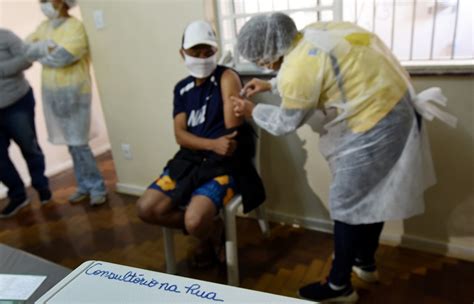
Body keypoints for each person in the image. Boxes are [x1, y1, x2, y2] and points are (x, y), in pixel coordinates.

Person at [232, 13, 456, 303]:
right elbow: (318, 71)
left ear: (267, 54)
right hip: (398, 109)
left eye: (263, 62)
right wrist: (272, 84)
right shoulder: (315, 32)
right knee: (373, 194)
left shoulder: (297, 69)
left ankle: (339, 286)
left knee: (346, 203)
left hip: (378, 123)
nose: (264, 66)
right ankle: (365, 263)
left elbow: (285, 123)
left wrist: (252, 111)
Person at [136, 20, 265, 267]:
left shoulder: (226, 76)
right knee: (147, 208)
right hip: (190, 159)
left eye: (209, 52)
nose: (203, 58)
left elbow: (231, 131)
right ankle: (211, 229)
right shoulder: (182, 89)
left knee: (194, 221)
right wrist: (211, 143)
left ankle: (203, 232)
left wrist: (209, 143)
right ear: (182, 53)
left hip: (224, 163)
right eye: (196, 52)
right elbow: (180, 136)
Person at [24, 0, 107, 206]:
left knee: (80, 144)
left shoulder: (75, 27)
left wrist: (42, 52)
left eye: (47, 1)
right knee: (72, 144)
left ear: (62, 2)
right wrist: (47, 49)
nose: (44, 5)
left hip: (75, 93)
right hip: (53, 94)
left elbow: (65, 56)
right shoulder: (44, 27)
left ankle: (97, 187)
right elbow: (26, 49)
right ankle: (84, 186)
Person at [0, 28, 52, 218]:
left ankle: (41, 186)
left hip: (16, 103)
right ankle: (17, 195)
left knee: (29, 147)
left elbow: (27, 58)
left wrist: (2, 69)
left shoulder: (5, 36)